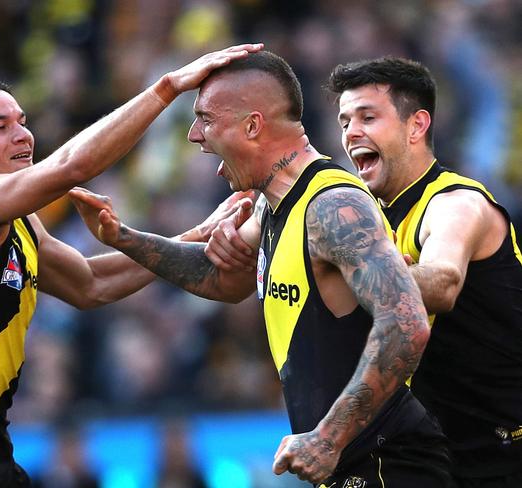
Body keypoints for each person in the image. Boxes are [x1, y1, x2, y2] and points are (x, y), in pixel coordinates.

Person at [69, 51, 453, 487]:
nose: (195, 135)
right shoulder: (271, 208)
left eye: (205, 119)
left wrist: (327, 437)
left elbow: (406, 325)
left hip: (390, 462)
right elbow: (219, 279)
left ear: (252, 126)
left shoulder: (331, 206)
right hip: (354, 463)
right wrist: (124, 238)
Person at [0, 43, 263, 488]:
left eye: (22, 123)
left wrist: (193, 236)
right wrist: (167, 87)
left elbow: (90, 284)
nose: (22, 135)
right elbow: (72, 165)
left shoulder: (17, 222)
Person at [323, 57, 522, 488]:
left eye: (367, 117)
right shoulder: (366, 214)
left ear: (417, 126)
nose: (351, 132)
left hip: (505, 444)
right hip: (434, 447)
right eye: (344, 121)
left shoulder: (457, 204)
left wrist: (352, 277)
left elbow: (444, 282)